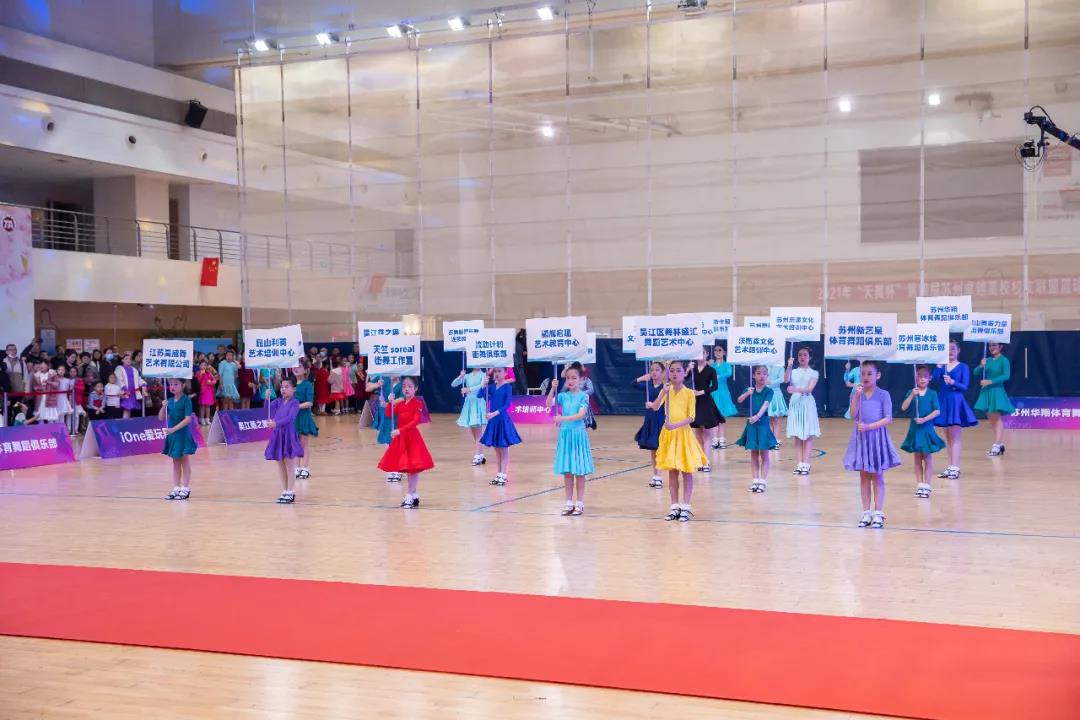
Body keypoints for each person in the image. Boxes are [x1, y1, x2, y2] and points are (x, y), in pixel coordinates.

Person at [844, 360, 901, 529]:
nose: (865, 376)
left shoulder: (883, 395)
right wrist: (856, 396)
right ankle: (866, 512)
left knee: (877, 475)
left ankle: (878, 512)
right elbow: (852, 414)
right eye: (863, 373)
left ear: (878, 375)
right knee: (863, 476)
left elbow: (888, 418)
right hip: (861, 439)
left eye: (869, 373)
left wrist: (869, 427)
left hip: (876, 438)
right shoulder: (857, 393)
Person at [655, 360, 708, 522]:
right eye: (672, 370)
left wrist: (675, 425)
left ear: (684, 373)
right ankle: (674, 506)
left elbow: (691, 417)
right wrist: (662, 393)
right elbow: (655, 407)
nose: (674, 373)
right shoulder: (666, 390)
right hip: (669, 435)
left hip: (683, 435)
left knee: (686, 471)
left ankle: (685, 506)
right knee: (672, 471)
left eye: (678, 370)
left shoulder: (689, 393)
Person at [378, 377, 435, 509]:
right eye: (404, 386)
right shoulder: (401, 404)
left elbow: (415, 421)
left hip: (412, 439)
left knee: (413, 469)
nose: (406, 389)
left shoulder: (417, 403)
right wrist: (390, 402)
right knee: (408, 469)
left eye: (410, 386)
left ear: (416, 388)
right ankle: (413, 494)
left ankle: (409, 494)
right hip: (402, 439)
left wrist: (400, 430)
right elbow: (388, 414)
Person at [547, 365, 595, 516]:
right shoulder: (562, 396)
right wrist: (552, 389)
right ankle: (568, 502)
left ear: (581, 380)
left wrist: (562, 418)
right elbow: (548, 404)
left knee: (579, 471)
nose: (570, 380)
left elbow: (581, 415)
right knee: (567, 472)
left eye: (574, 378)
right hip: (565, 435)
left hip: (578, 435)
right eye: (568, 378)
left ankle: (579, 503)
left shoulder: (584, 396)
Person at [932, 339, 977, 480]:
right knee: (948, 437)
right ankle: (950, 466)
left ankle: (955, 467)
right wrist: (938, 366)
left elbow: (965, 386)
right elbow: (934, 379)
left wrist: (953, 382)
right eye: (948, 349)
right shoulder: (943, 366)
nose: (950, 351)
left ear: (958, 351)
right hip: (943, 400)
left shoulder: (963, 366)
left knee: (955, 436)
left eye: (953, 348)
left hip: (956, 401)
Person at [900, 366, 945, 499]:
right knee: (917, 458)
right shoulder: (911, 392)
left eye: (925, 376)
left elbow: (937, 411)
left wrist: (925, 419)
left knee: (927, 457)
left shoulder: (932, 393)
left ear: (930, 378)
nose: (922, 379)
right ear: (916, 378)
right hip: (915, 429)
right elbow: (903, 407)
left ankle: (927, 485)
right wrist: (911, 396)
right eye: (919, 376)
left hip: (926, 429)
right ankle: (920, 484)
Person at [476, 366, 521, 486]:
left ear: (506, 373)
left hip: (502, 420)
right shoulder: (491, 387)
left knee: (503, 448)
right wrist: (483, 384)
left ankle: (503, 475)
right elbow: (479, 395)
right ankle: (498, 474)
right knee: (497, 449)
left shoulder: (507, 387)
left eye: (499, 371)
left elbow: (507, 404)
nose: (496, 374)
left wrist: (494, 413)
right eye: (495, 371)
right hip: (493, 421)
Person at [737, 365, 778, 494]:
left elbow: (766, 404)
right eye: (758, 373)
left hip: (762, 424)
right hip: (751, 424)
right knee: (754, 454)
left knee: (764, 454)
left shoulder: (769, 391)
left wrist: (757, 416)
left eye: (764, 373)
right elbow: (739, 400)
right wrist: (747, 393)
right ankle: (755, 480)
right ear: (753, 375)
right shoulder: (749, 389)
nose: (761, 376)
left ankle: (763, 481)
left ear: (767, 376)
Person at [264, 377, 304, 504]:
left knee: (289, 464)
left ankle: (290, 491)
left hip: (288, 435)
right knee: (280, 463)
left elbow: (290, 418)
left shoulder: (295, 403)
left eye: (287, 387)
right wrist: (267, 397)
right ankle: (285, 490)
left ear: (294, 389)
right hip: (278, 435)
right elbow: (267, 409)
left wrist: (276, 423)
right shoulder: (278, 401)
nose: (283, 389)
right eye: (282, 387)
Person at [785, 347, 821, 476]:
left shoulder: (814, 373)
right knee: (797, 435)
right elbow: (785, 380)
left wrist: (795, 390)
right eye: (800, 355)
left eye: (805, 355)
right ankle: (799, 464)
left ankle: (806, 464)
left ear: (810, 357)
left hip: (807, 403)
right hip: (795, 403)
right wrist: (789, 366)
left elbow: (809, 389)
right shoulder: (793, 371)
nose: (802, 357)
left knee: (808, 434)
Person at [974, 342, 1015, 457]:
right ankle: (1000, 444)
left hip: (997, 391)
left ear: (1000, 347)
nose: (992, 348)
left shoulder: (1004, 360)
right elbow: (975, 372)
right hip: (987, 391)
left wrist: (990, 381)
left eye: (994, 345)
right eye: (990, 346)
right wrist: (981, 365)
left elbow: (1006, 375)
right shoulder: (987, 360)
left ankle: (996, 445)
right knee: (991, 419)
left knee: (996, 419)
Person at [160, 379, 198, 500]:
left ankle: (185, 488)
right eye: (171, 384)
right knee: (175, 462)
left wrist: (173, 429)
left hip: (182, 434)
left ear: (183, 385)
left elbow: (188, 419)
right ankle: (176, 488)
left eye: (176, 384)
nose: (173, 387)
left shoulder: (186, 400)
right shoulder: (170, 401)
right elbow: (161, 417)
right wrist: (163, 407)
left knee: (184, 461)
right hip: (173, 436)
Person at [634, 361, 668, 488]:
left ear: (663, 372)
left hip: (660, 420)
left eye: (657, 370)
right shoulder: (648, 386)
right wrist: (642, 378)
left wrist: (653, 405)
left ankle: (659, 476)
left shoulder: (665, 387)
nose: (654, 372)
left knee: (660, 450)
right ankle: (656, 475)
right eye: (652, 370)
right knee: (653, 451)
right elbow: (633, 384)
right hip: (650, 420)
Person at [689, 348, 721, 471]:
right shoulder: (692, 369)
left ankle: (706, 462)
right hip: (694, 402)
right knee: (698, 434)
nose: (700, 355)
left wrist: (702, 391)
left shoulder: (711, 370)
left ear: (707, 354)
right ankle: (701, 460)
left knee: (707, 434)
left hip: (706, 402)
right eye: (698, 353)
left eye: (703, 352)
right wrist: (687, 370)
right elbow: (683, 379)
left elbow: (715, 386)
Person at [366, 374, 404, 481]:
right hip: (385, 414)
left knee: (395, 441)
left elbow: (402, 398)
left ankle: (398, 469)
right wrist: (377, 385)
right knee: (387, 442)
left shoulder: (402, 384)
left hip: (397, 415)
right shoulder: (383, 378)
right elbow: (368, 388)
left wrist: (389, 403)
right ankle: (394, 468)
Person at [452, 367, 489, 465]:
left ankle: (477, 456)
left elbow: (482, 385)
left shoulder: (484, 375)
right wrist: (460, 376)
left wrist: (468, 389)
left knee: (478, 433)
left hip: (478, 403)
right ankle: (481, 454)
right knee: (475, 433)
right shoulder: (467, 376)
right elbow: (453, 384)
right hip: (469, 403)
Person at [708, 344, 738, 448]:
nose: (717, 352)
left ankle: (721, 440)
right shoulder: (712, 364)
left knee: (721, 417)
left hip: (723, 391)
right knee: (713, 417)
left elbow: (729, 373)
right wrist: (708, 365)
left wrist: (719, 376)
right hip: (713, 391)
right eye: (715, 350)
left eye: (720, 350)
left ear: (724, 352)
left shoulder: (727, 364)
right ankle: (714, 439)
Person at [292, 364, 319, 480]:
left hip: (303, 416)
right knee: (295, 443)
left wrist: (296, 406)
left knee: (304, 444)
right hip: (293, 417)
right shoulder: (291, 384)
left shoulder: (307, 384)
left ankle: (305, 468)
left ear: (305, 370)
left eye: (299, 367)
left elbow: (310, 402)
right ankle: (297, 468)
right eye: (294, 366)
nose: (296, 368)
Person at [115, 354, 146, 419]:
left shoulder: (134, 369)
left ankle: (128, 422)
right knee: (126, 408)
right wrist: (125, 389)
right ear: (122, 360)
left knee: (130, 409)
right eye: (126, 359)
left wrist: (143, 383)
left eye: (130, 359)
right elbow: (119, 379)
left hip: (133, 392)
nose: (128, 360)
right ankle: (125, 423)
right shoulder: (119, 369)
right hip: (125, 392)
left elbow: (138, 379)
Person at [766, 364, 787, 449]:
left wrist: (772, 382)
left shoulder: (780, 367)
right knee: (770, 419)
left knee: (777, 419)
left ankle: (776, 441)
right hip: (766, 393)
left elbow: (782, 378)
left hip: (776, 394)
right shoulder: (765, 365)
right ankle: (771, 439)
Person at [195, 361, 218, 425]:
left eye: (205, 365)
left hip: (209, 392)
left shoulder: (209, 373)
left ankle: (207, 419)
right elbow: (199, 381)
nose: (203, 366)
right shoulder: (198, 373)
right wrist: (202, 374)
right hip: (202, 392)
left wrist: (211, 382)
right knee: (202, 406)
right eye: (202, 365)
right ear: (199, 366)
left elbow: (214, 380)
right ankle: (201, 419)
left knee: (208, 406)